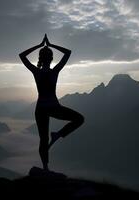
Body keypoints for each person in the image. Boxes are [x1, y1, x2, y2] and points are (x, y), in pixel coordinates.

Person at [19, 34, 84, 171]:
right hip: (53, 107)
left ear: (40, 59)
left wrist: (40, 45)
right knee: (79, 119)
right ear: (51, 58)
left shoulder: (36, 72)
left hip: (41, 109)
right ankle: (58, 135)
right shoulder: (55, 71)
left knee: (43, 140)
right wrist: (50, 44)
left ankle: (45, 168)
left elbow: (22, 56)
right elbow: (68, 53)